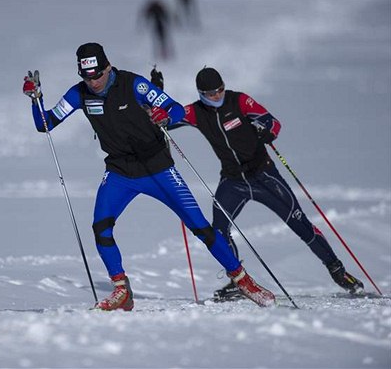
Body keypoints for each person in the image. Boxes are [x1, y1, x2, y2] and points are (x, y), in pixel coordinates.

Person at [22, 43, 276, 310]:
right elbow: (45, 124)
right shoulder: (80, 93)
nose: (93, 82)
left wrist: (163, 116)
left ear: (108, 67)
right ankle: (121, 290)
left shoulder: (134, 84)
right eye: (87, 77)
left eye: (97, 75)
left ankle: (243, 280)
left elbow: (175, 109)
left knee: (200, 226)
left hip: (158, 169)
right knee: (101, 228)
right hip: (120, 172)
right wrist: (36, 98)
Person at [150, 66, 365, 301]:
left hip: (264, 175)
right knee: (218, 230)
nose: (218, 95)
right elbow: (164, 122)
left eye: (220, 89)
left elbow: (273, 123)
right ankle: (238, 281)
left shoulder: (239, 100)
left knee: (299, 223)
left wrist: (267, 132)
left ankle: (338, 272)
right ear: (201, 93)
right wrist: (156, 96)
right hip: (233, 181)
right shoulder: (196, 112)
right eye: (211, 93)